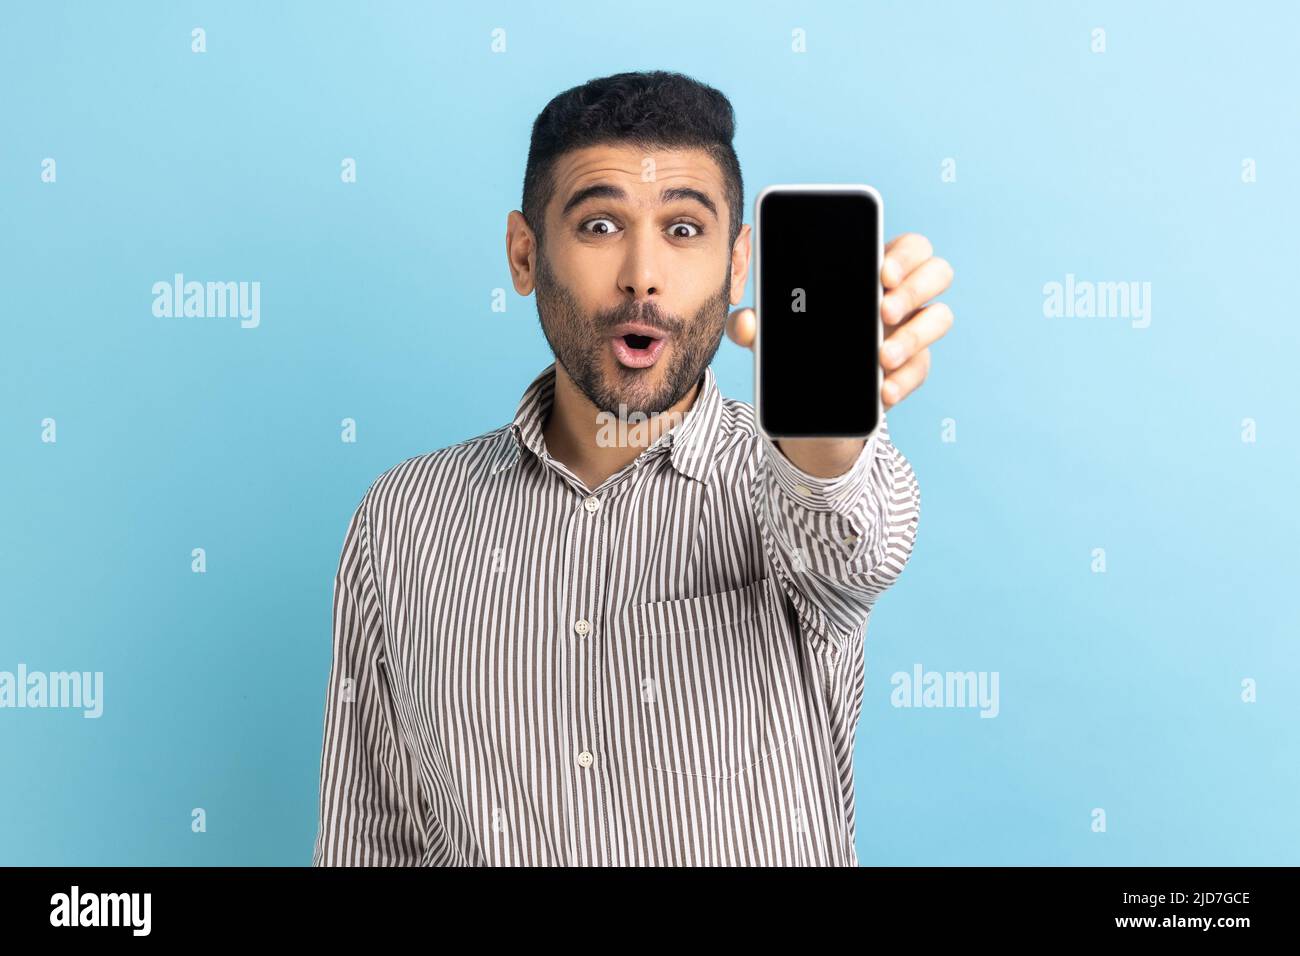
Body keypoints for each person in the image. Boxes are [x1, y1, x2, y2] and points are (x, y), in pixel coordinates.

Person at [312, 69, 953, 866]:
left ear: (738, 263)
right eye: (600, 225)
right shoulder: (402, 520)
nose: (642, 275)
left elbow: (850, 536)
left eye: (684, 230)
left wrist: (828, 427)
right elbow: (373, 837)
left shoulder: (777, 483)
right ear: (524, 255)